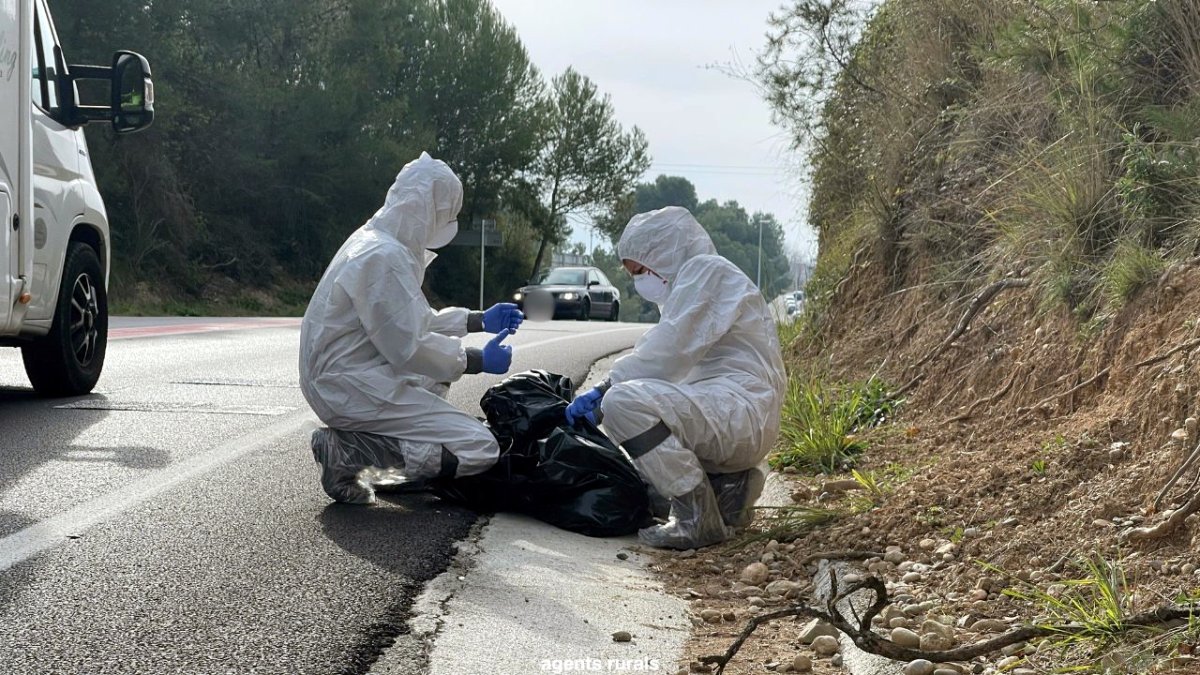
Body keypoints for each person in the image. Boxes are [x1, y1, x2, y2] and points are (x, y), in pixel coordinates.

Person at [299, 152, 523, 504]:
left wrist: (477, 319)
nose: (448, 223)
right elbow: (412, 346)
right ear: (428, 209)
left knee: (435, 377)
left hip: (346, 376)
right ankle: (351, 455)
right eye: (447, 215)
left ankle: (378, 453)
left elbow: (408, 322)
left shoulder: (375, 241)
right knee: (479, 447)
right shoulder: (382, 257)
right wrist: (476, 359)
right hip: (349, 384)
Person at [564, 206, 786, 549]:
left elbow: (666, 352)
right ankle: (729, 490)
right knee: (649, 479)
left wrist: (607, 386)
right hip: (736, 414)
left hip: (740, 413)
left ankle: (696, 518)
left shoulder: (706, 272)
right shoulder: (696, 283)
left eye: (641, 270)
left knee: (623, 404)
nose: (640, 281)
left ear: (665, 253)